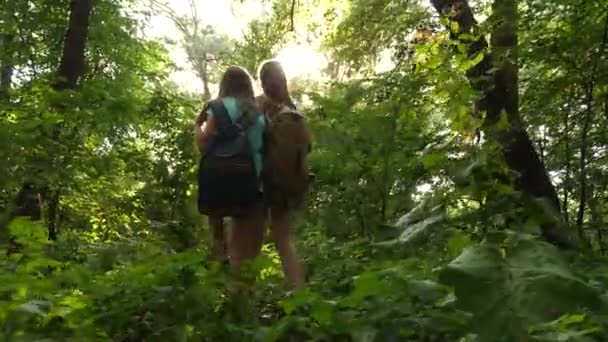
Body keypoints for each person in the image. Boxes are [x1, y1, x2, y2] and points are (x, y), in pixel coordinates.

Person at [194, 66, 266, 269]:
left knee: (217, 219)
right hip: (250, 182)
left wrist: (195, 127)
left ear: (224, 85)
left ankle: (220, 253)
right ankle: (240, 284)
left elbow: (204, 140)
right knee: (245, 246)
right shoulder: (257, 111)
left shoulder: (216, 107)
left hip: (218, 179)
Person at [255, 60, 311, 289]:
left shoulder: (262, 107)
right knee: (284, 239)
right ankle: (300, 292)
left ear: (264, 83)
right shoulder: (295, 110)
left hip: (268, 184)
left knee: (252, 237)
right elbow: (307, 147)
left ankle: (243, 294)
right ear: (284, 81)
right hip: (292, 183)